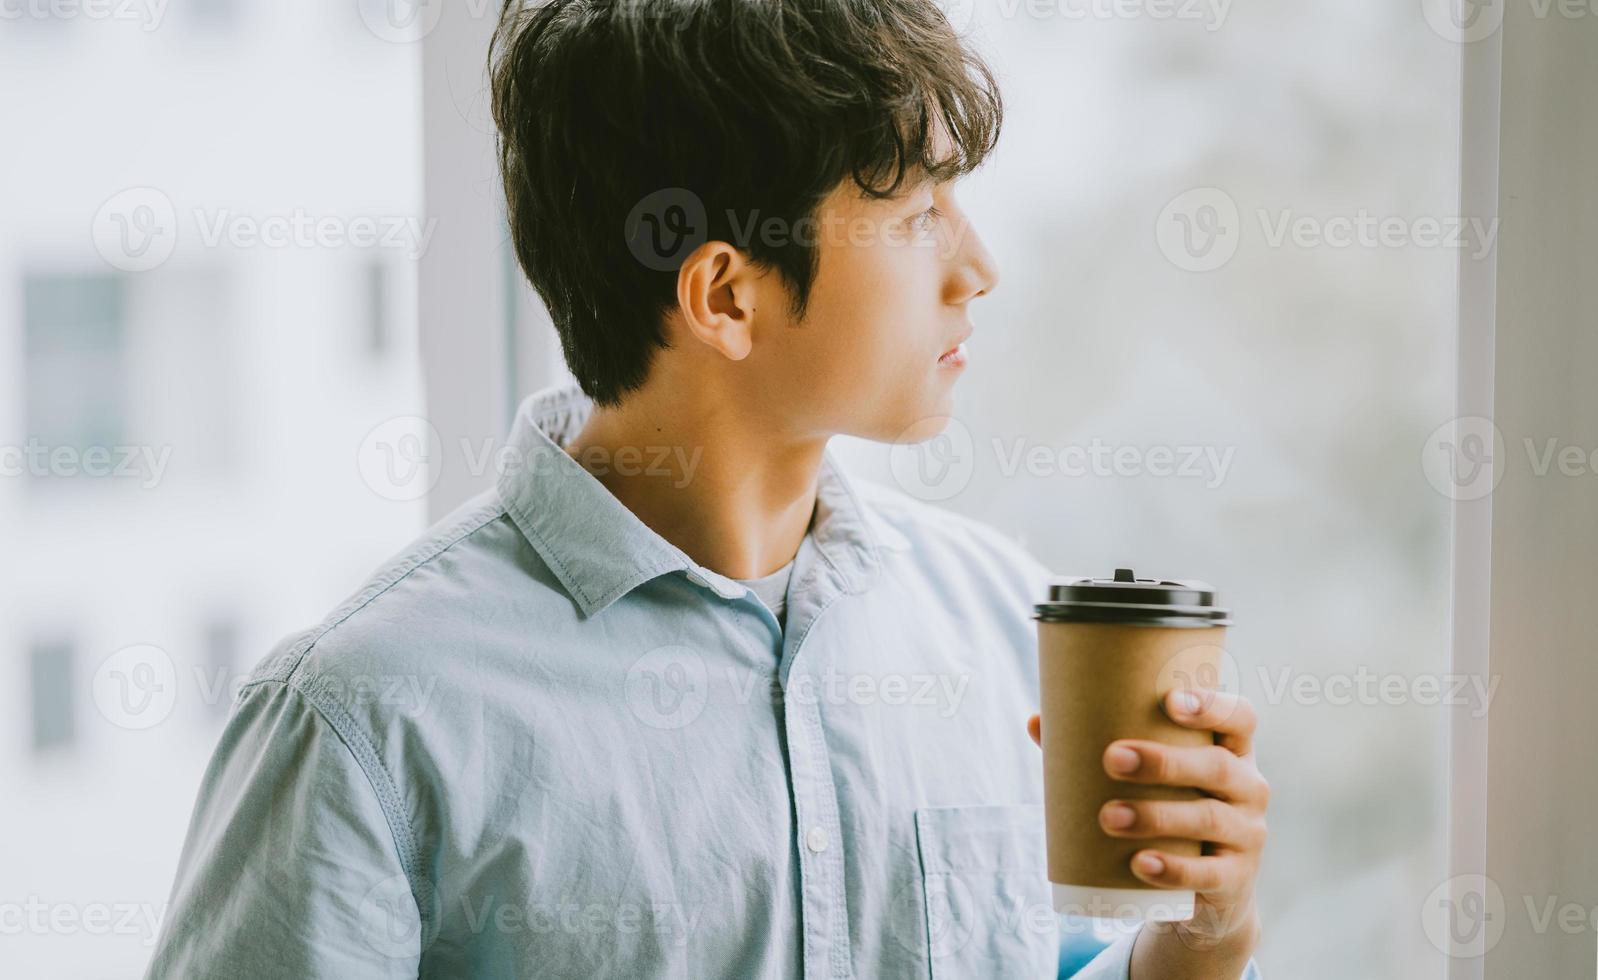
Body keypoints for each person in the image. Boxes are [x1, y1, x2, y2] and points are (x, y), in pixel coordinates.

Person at [145, 0, 1268, 976]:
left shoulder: (1000, 624)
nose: (977, 268)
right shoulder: (364, 724)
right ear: (725, 295)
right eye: (918, 212)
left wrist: (1195, 946)